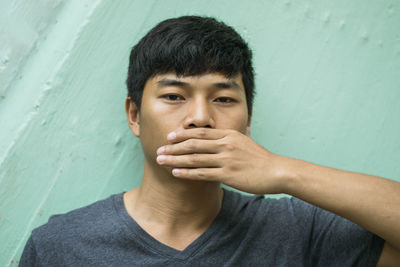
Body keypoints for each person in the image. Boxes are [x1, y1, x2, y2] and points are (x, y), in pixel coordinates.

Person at [20, 16, 400, 266]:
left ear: (247, 120)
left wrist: (280, 170)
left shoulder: (297, 231)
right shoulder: (60, 246)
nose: (200, 117)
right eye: (173, 96)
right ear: (134, 115)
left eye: (223, 99)